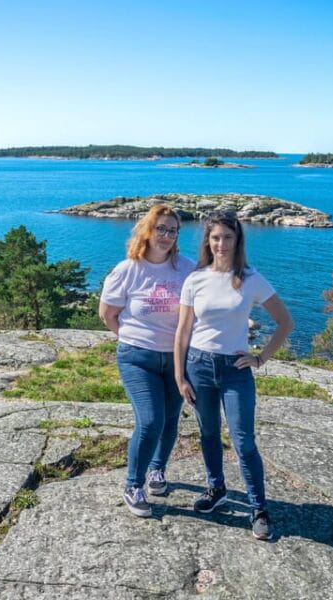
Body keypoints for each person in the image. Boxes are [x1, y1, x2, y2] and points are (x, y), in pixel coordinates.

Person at [173, 210, 294, 540]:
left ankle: (258, 507)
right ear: (207, 241)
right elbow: (183, 331)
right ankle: (217, 490)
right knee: (209, 434)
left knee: (243, 442)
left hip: (235, 371)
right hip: (197, 365)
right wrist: (179, 376)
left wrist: (260, 359)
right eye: (215, 238)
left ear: (237, 240)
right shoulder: (195, 279)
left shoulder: (251, 278)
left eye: (227, 237)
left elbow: (285, 322)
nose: (221, 244)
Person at [99, 204, 196, 518]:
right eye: (161, 228)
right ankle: (133, 484)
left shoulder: (187, 269)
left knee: (170, 420)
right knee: (151, 420)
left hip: (177, 359)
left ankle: (158, 469)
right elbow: (107, 314)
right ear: (147, 231)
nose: (166, 235)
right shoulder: (127, 269)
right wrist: (131, 337)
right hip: (137, 358)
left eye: (172, 230)